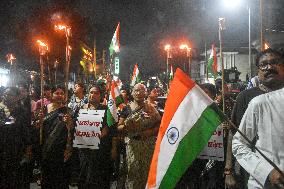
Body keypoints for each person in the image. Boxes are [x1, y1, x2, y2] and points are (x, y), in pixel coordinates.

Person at [225, 48, 284, 189]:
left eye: (274, 62)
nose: (269, 67)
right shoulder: (246, 97)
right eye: (263, 65)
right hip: (257, 172)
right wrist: (228, 171)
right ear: (258, 71)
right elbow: (235, 135)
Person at [232, 86, 284, 189]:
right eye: (262, 68)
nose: (268, 69)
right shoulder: (260, 102)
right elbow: (238, 141)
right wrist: (267, 172)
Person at [118, 83, 161, 189]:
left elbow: (160, 124)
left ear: (145, 93)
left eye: (141, 90)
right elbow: (119, 126)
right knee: (132, 171)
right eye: (136, 90)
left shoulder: (151, 108)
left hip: (148, 145)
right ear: (132, 93)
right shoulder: (126, 109)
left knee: (147, 172)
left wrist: (149, 132)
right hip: (133, 145)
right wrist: (126, 126)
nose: (139, 93)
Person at [76, 85, 112, 189]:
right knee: (85, 177)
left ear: (100, 96)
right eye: (91, 92)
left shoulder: (106, 110)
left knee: (100, 178)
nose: (93, 95)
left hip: (101, 150)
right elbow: (75, 127)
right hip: (84, 150)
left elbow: (111, 128)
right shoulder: (81, 109)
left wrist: (104, 131)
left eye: (96, 93)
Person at [38, 85, 73, 189]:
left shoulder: (68, 111)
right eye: (57, 93)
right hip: (46, 148)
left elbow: (72, 130)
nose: (59, 95)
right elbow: (38, 129)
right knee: (47, 178)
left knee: (61, 179)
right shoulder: (44, 110)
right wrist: (38, 121)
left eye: (62, 93)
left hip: (61, 149)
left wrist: (69, 123)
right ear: (51, 95)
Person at [0, 87, 32, 189]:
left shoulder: (23, 112)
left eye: (9, 95)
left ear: (17, 97)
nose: (6, 97)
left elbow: (27, 131)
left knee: (16, 178)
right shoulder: (1, 110)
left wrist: (28, 150)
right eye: (5, 94)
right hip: (2, 148)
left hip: (17, 148)